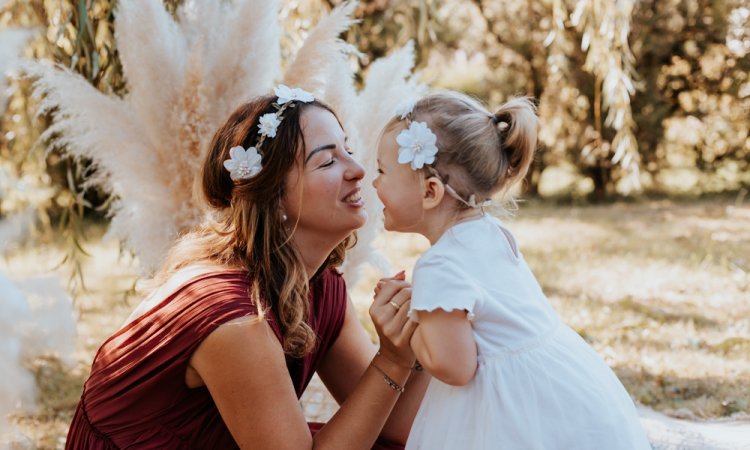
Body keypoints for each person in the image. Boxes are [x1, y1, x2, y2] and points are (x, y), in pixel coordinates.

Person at [66, 85, 430, 449]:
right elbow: (387, 378)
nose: (358, 170)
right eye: (328, 161)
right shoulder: (235, 320)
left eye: (347, 149)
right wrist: (392, 359)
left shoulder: (320, 286)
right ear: (274, 198)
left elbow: (400, 426)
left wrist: (435, 319)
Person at [372, 91, 651, 449]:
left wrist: (410, 325)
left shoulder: (438, 265)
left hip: (508, 409)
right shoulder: (492, 233)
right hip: (562, 389)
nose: (374, 182)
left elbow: (454, 367)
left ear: (430, 192)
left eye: (382, 171)